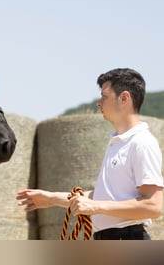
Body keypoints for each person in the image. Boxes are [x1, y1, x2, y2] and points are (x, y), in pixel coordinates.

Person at [17, 68, 163, 240]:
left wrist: (96, 207)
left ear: (124, 98)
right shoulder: (117, 144)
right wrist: (51, 199)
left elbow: (153, 205)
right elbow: (102, 197)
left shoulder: (141, 142)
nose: (99, 102)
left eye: (105, 96)